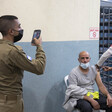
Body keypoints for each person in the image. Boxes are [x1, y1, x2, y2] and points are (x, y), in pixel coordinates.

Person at [0, 15, 46, 112]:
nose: (21, 29)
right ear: (11, 31)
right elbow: (39, 68)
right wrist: (39, 47)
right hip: (10, 104)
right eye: (19, 27)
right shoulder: (13, 51)